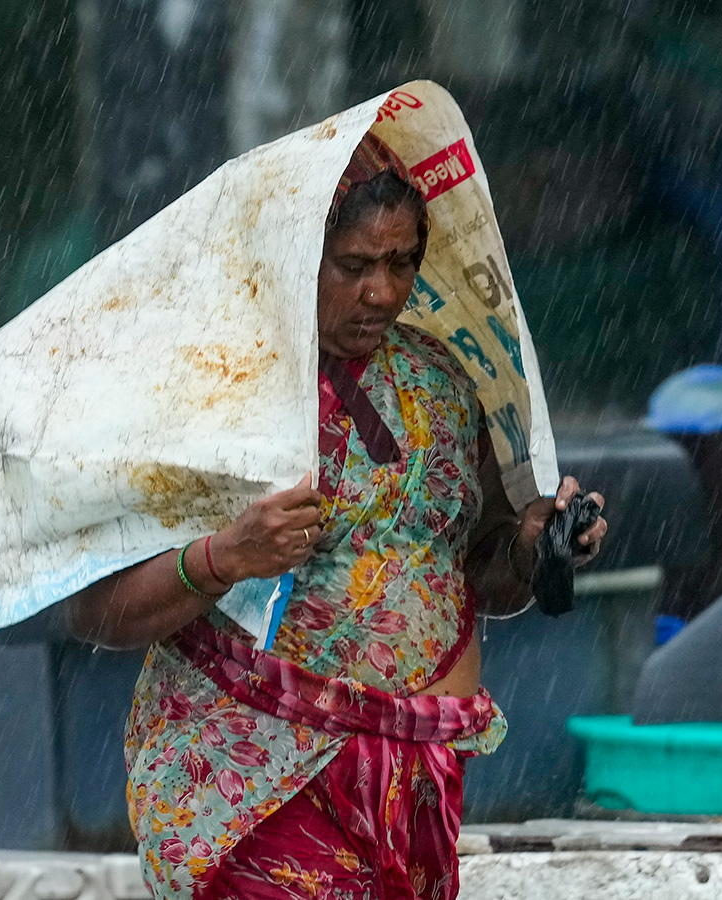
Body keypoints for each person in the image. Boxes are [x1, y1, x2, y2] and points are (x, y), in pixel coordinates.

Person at [69, 133, 607, 900]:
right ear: (293, 259)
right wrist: (227, 556)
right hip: (250, 787)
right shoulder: (213, 398)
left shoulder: (446, 385)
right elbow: (96, 611)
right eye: (354, 266)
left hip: (410, 794)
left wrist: (533, 546)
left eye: (401, 264)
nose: (382, 293)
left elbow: (481, 578)